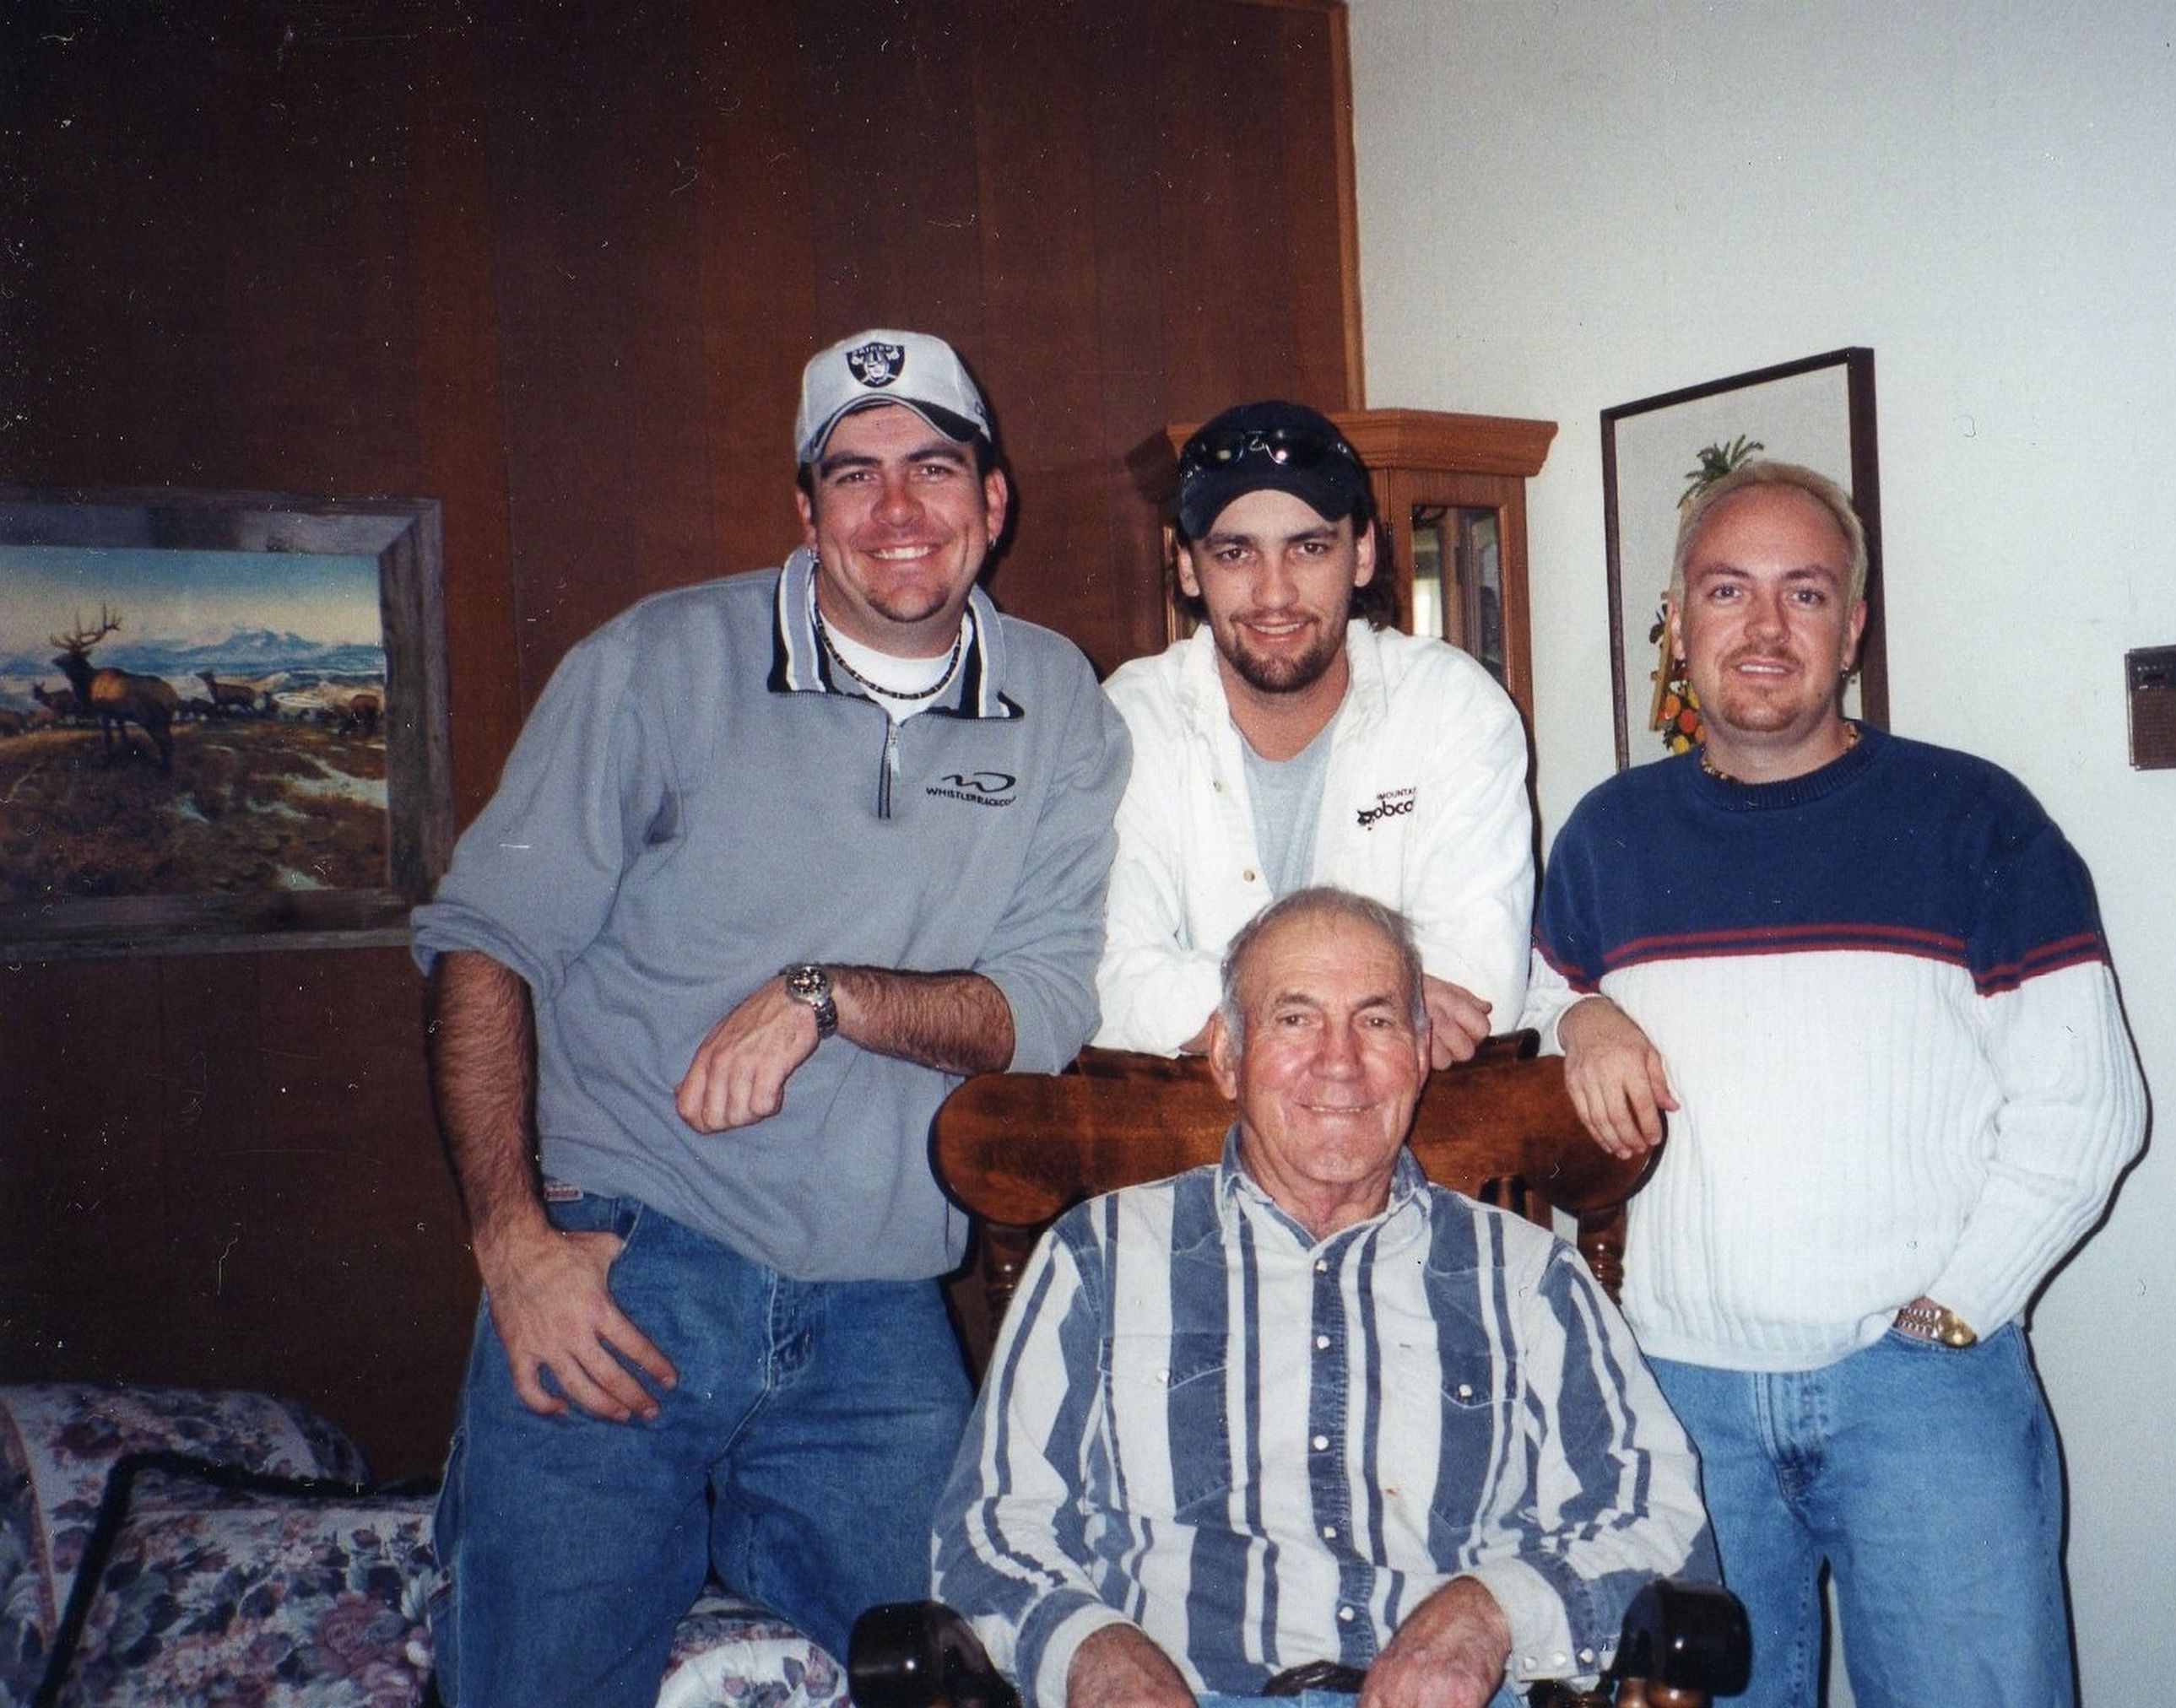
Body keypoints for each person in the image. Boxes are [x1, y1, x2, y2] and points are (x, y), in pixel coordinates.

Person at [414, 328, 1130, 1705]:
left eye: (935, 466)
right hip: (627, 1262)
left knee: (979, 1670)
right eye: (852, 475)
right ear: (806, 513)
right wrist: (512, 1240)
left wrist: (831, 992)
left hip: (874, 1302)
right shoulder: (658, 661)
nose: (898, 510)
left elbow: (1040, 1004)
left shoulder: (1060, 705)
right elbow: (481, 948)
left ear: (995, 499)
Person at [1527, 460, 2146, 1706]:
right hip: (1677, 1402)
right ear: (1678, 620)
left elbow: (2089, 1109)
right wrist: (1581, 1012)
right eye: (1727, 591)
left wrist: (1953, 1312)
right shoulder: (1607, 835)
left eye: (1804, 594)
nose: (1763, 630)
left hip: (1921, 1394)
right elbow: (1536, 1020)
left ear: (1853, 626)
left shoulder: (1976, 819)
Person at [936, 886, 1713, 1708]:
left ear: (1419, 1052)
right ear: (1228, 1057)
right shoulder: (1099, 1256)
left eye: (1376, 1020)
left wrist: (1488, 1611)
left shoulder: (1527, 1278)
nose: (1339, 1060)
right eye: (1295, 1018)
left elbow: (1660, 1524)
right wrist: (1097, 1654)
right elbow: (988, 1530)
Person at [1094, 401, 1532, 1068]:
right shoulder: (1130, 720)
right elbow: (1106, 984)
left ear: (1361, 553)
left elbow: (1480, 985)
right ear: (1188, 567)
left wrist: (1221, 1010)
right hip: (1188, 1138)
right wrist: (1379, 1007)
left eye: (1309, 547)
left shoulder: (1452, 708)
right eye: (1236, 552)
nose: (1275, 594)